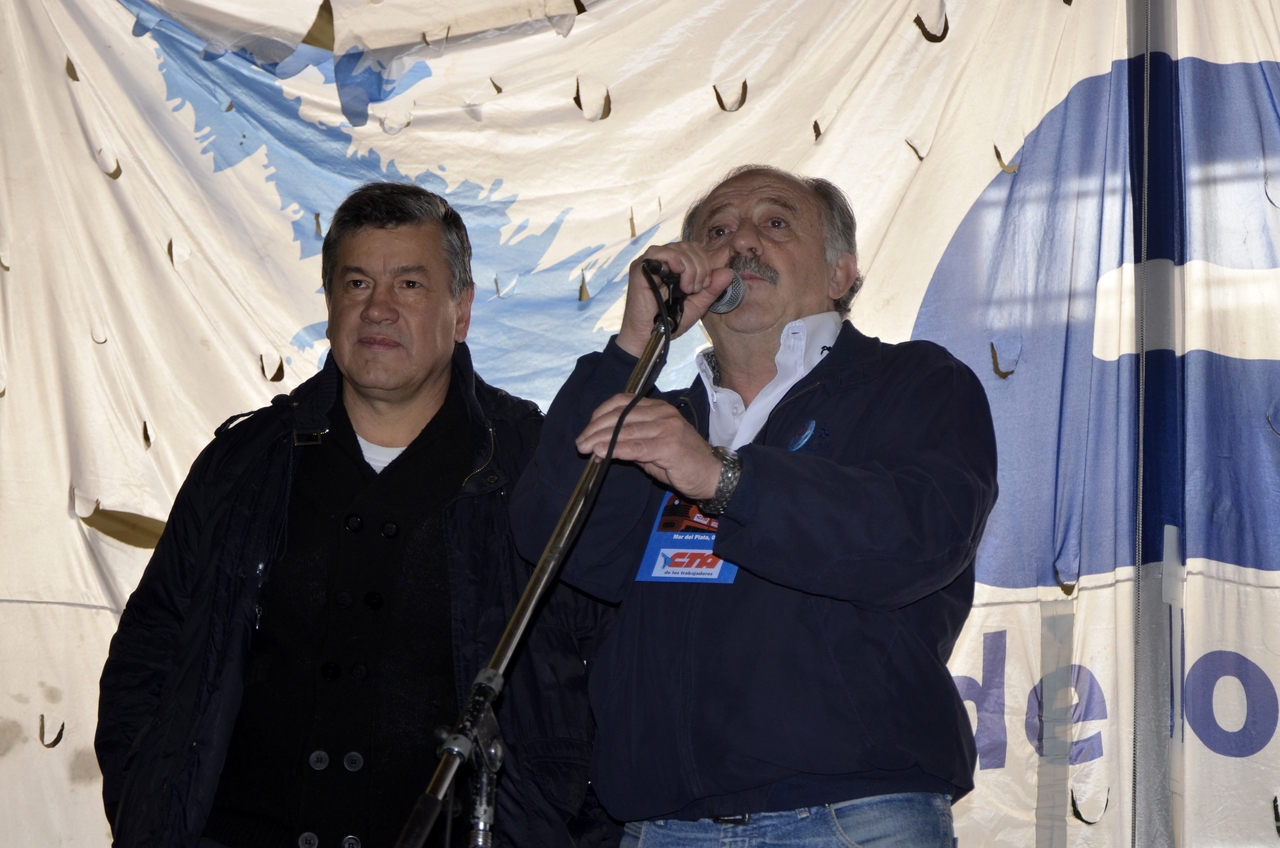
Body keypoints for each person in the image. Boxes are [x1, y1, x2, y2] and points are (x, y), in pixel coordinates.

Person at [95, 182, 609, 848]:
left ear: (462, 311)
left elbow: (604, 678)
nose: (378, 309)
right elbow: (150, 650)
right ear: (331, 305)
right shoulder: (246, 464)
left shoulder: (534, 470)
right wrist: (148, 812)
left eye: (410, 285)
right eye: (357, 283)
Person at [510, 165, 998, 847]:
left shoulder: (914, 383)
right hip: (665, 827)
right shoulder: (662, 420)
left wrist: (725, 479)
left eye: (775, 222)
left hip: (856, 815)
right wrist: (632, 346)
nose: (741, 241)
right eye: (717, 230)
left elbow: (919, 536)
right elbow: (556, 542)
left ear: (841, 274)